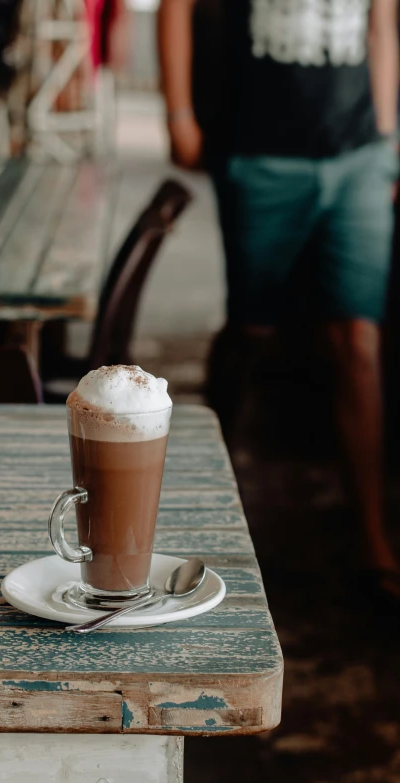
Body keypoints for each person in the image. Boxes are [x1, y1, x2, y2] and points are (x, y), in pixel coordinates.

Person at [158, 0, 400, 604]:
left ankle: (371, 539)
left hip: (360, 155)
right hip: (260, 155)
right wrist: (179, 116)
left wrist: (387, 130)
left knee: (358, 343)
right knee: (250, 331)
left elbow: (381, 24)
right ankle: (210, 494)